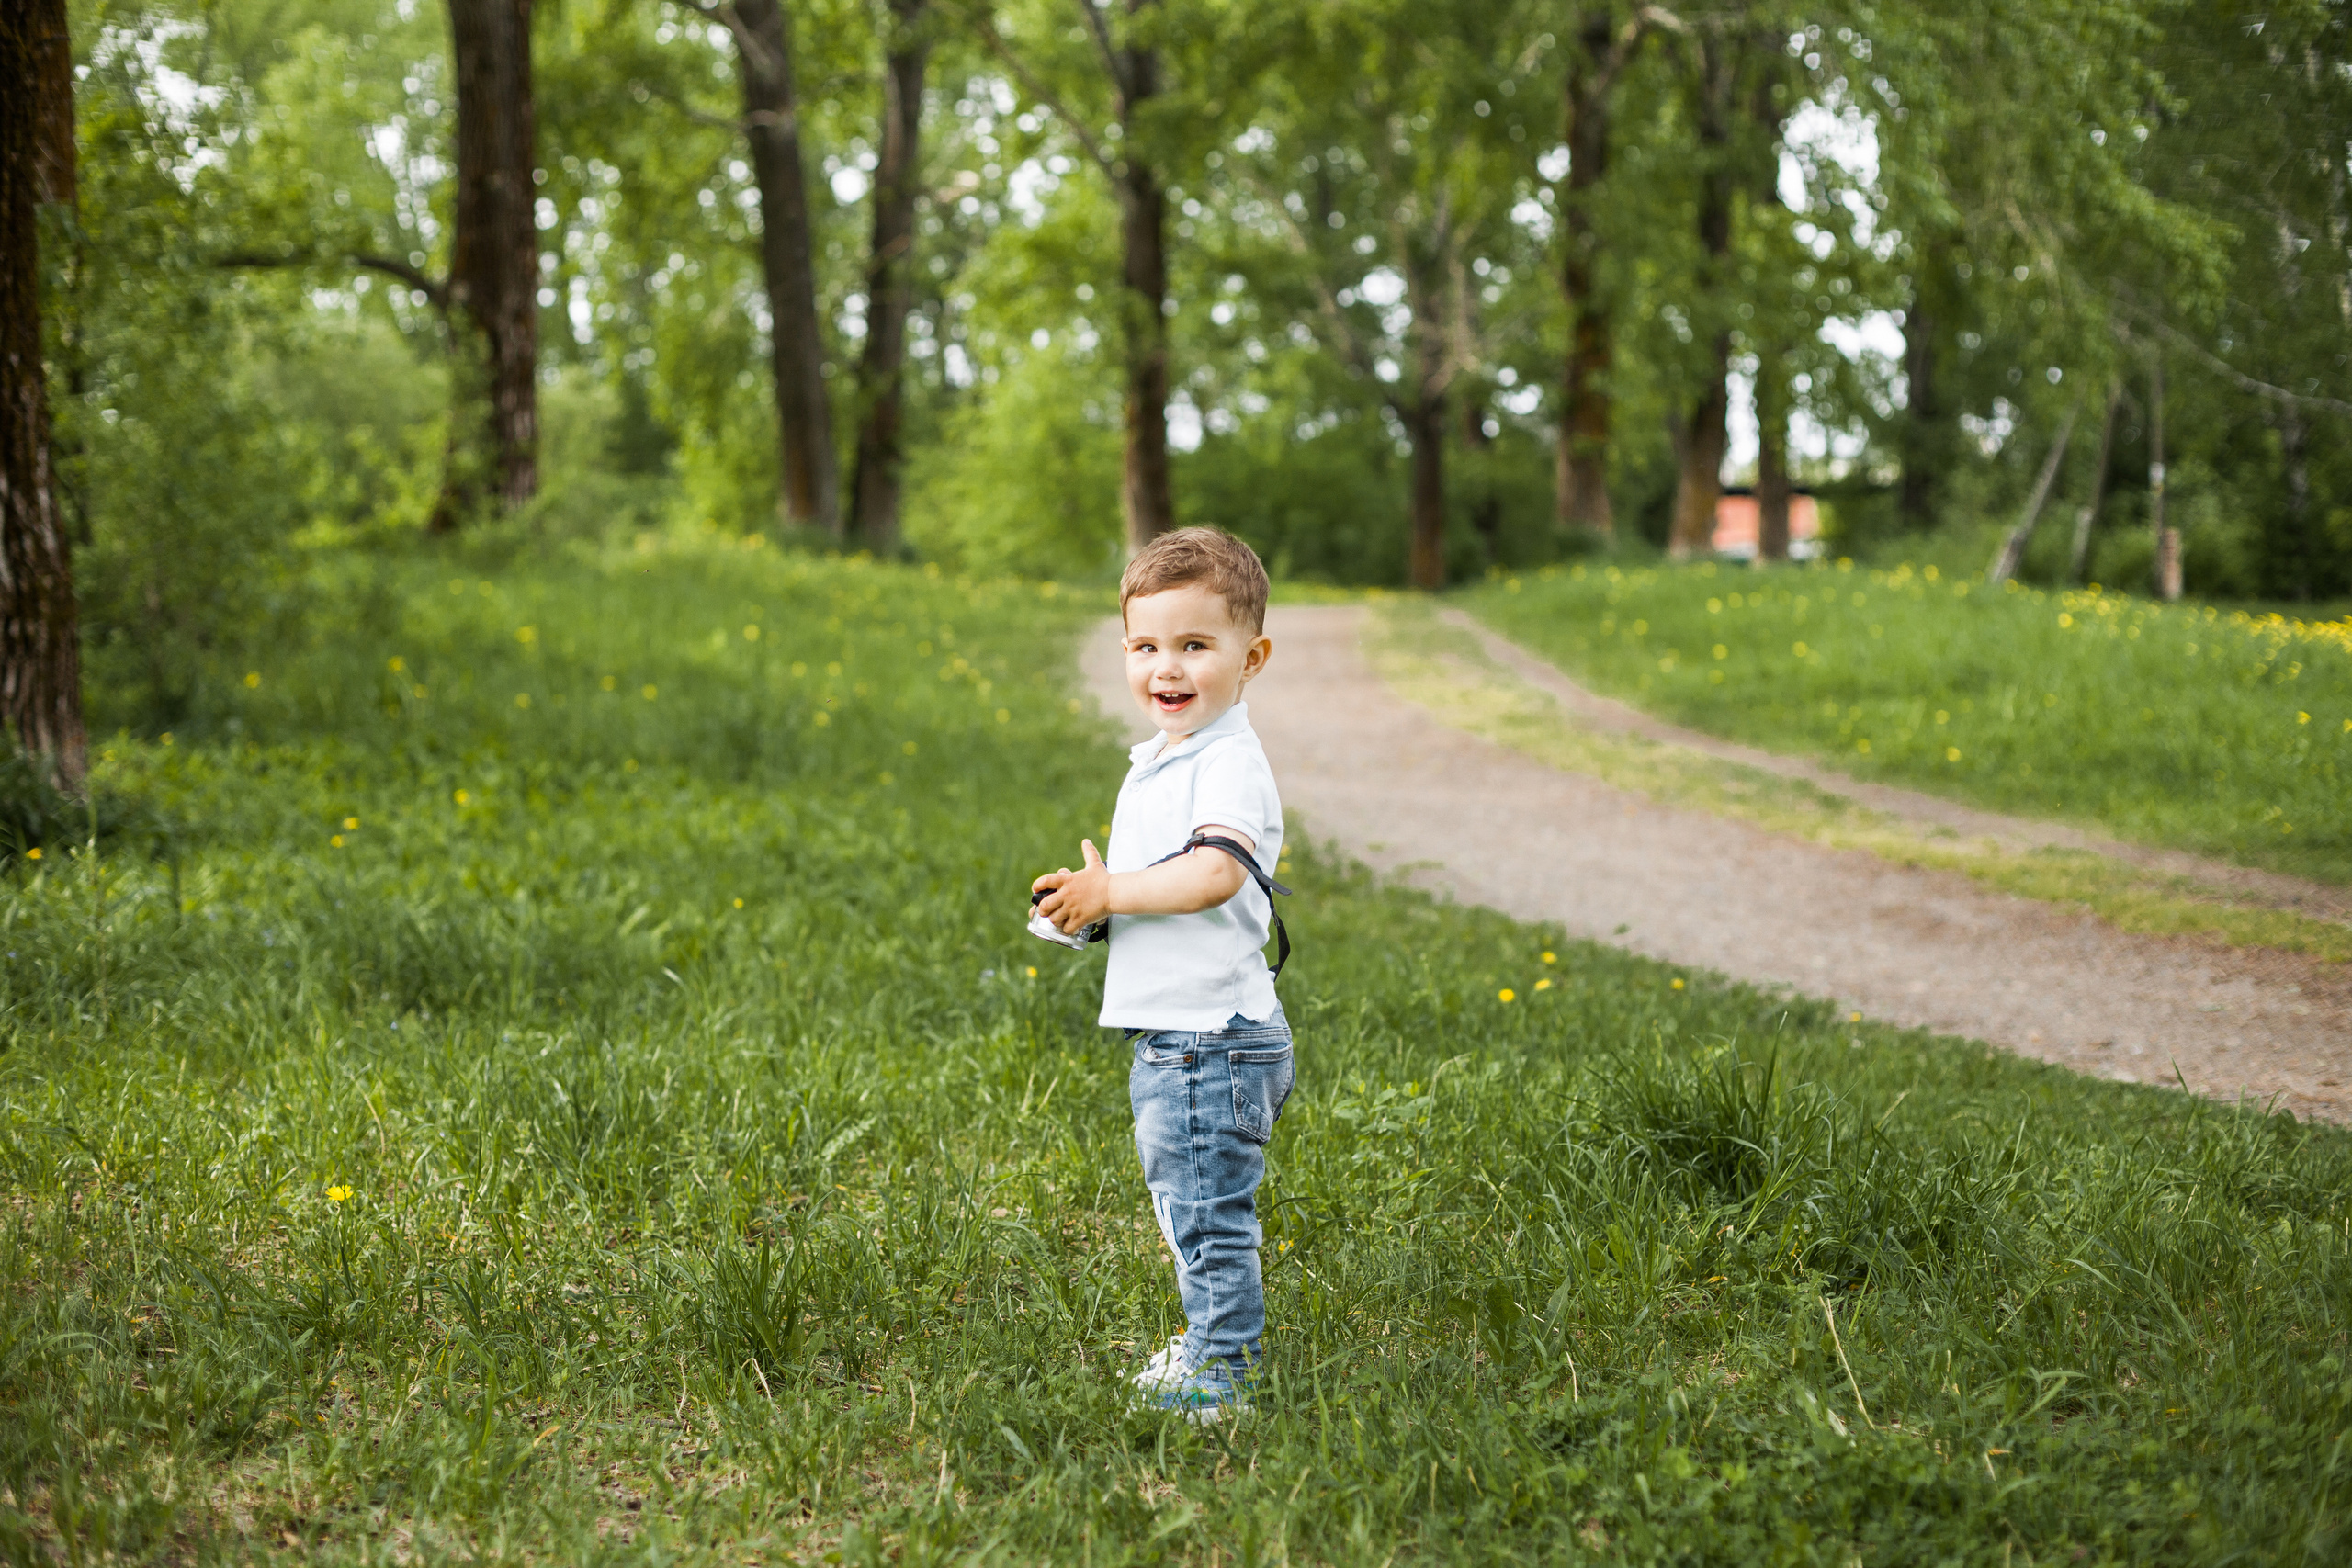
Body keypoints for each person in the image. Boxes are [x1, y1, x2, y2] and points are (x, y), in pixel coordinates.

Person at [1030, 526, 1294, 1422]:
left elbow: (1214, 872)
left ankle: (1224, 1376)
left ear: (1250, 657)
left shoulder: (1226, 762)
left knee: (1207, 1214)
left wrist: (1118, 887)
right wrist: (1091, 905)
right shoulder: (1166, 758)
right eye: (1146, 647)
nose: (1166, 669)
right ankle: (1210, 1337)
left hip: (1208, 1040)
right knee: (1186, 1204)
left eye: (1194, 646)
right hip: (1186, 1034)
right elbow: (1162, 891)